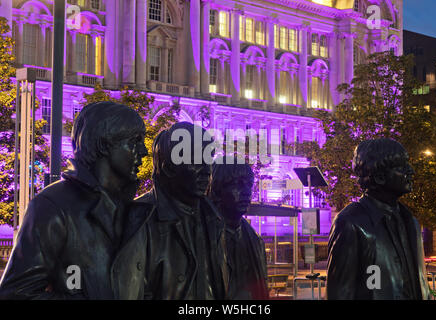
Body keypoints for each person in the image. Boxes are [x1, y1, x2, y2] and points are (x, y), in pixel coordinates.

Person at [0, 101, 150, 299]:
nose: (143, 152)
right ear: (104, 145)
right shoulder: (52, 205)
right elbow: (15, 294)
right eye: (135, 141)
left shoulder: (135, 210)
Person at [326, 138, 429, 300]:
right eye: (401, 167)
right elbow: (340, 292)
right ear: (380, 176)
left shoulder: (410, 222)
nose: (411, 171)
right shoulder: (351, 222)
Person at [136, 122, 228, 299]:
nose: (207, 171)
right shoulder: (139, 218)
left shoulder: (214, 219)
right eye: (196, 161)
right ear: (169, 166)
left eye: (209, 159)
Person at [208, 157, 269, 300]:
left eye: (249, 184)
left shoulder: (255, 241)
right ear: (217, 189)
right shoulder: (199, 235)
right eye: (237, 184)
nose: (247, 191)